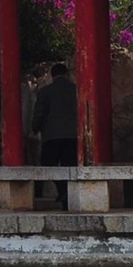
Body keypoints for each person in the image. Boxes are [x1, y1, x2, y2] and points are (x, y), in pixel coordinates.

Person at [31, 63, 78, 209]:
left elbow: (39, 114)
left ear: (52, 75)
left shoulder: (45, 92)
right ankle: (67, 197)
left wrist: (35, 128)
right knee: (70, 166)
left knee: (49, 165)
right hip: (72, 135)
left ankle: (62, 190)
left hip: (51, 136)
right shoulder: (76, 90)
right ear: (66, 74)